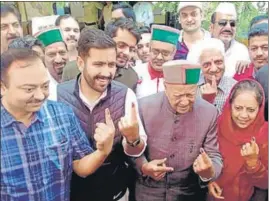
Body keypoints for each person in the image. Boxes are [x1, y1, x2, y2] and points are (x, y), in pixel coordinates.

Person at [0, 48, 116, 201]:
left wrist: (102, 152)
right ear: (2, 87)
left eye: (45, 86)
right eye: (29, 89)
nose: (40, 95)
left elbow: (81, 167)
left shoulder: (62, 115)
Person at [57, 28, 147, 201]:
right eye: (98, 65)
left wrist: (133, 138)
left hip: (114, 192)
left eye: (111, 65)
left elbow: (135, 152)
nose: (106, 73)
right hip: (70, 193)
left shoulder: (126, 95)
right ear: (81, 63)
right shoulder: (57, 95)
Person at [135, 60, 223, 201]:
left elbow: (214, 155)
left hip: (188, 193)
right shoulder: (143, 107)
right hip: (148, 192)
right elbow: (131, 148)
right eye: (178, 96)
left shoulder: (209, 113)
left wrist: (209, 171)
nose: (184, 102)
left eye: (190, 95)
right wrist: (144, 166)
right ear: (165, 87)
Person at [208, 79, 268, 201]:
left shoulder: (265, 133)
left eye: (251, 110)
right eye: (238, 108)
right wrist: (208, 181)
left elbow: (265, 184)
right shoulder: (216, 126)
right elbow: (202, 163)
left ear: (260, 108)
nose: (243, 115)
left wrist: (253, 163)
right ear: (230, 105)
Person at [187, 38, 237, 112]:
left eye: (218, 62)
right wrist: (206, 101)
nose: (213, 69)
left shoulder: (236, 88)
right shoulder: (191, 87)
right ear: (199, 66)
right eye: (206, 64)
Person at [135, 25, 180, 99]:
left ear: (173, 54)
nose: (159, 57)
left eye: (165, 53)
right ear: (150, 50)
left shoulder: (179, 77)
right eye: (155, 52)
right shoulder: (136, 73)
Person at [210, 2, 250, 77]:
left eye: (232, 24)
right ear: (211, 27)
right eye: (222, 23)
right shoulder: (200, 49)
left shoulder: (242, 51)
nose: (228, 27)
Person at [105, 18, 141, 92]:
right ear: (107, 41)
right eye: (121, 45)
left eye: (131, 49)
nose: (127, 53)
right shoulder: (81, 70)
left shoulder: (131, 78)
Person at [35, 27, 68, 100]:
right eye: (52, 54)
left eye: (62, 52)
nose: (58, 60)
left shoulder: (78, 77)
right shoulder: (41, 87)